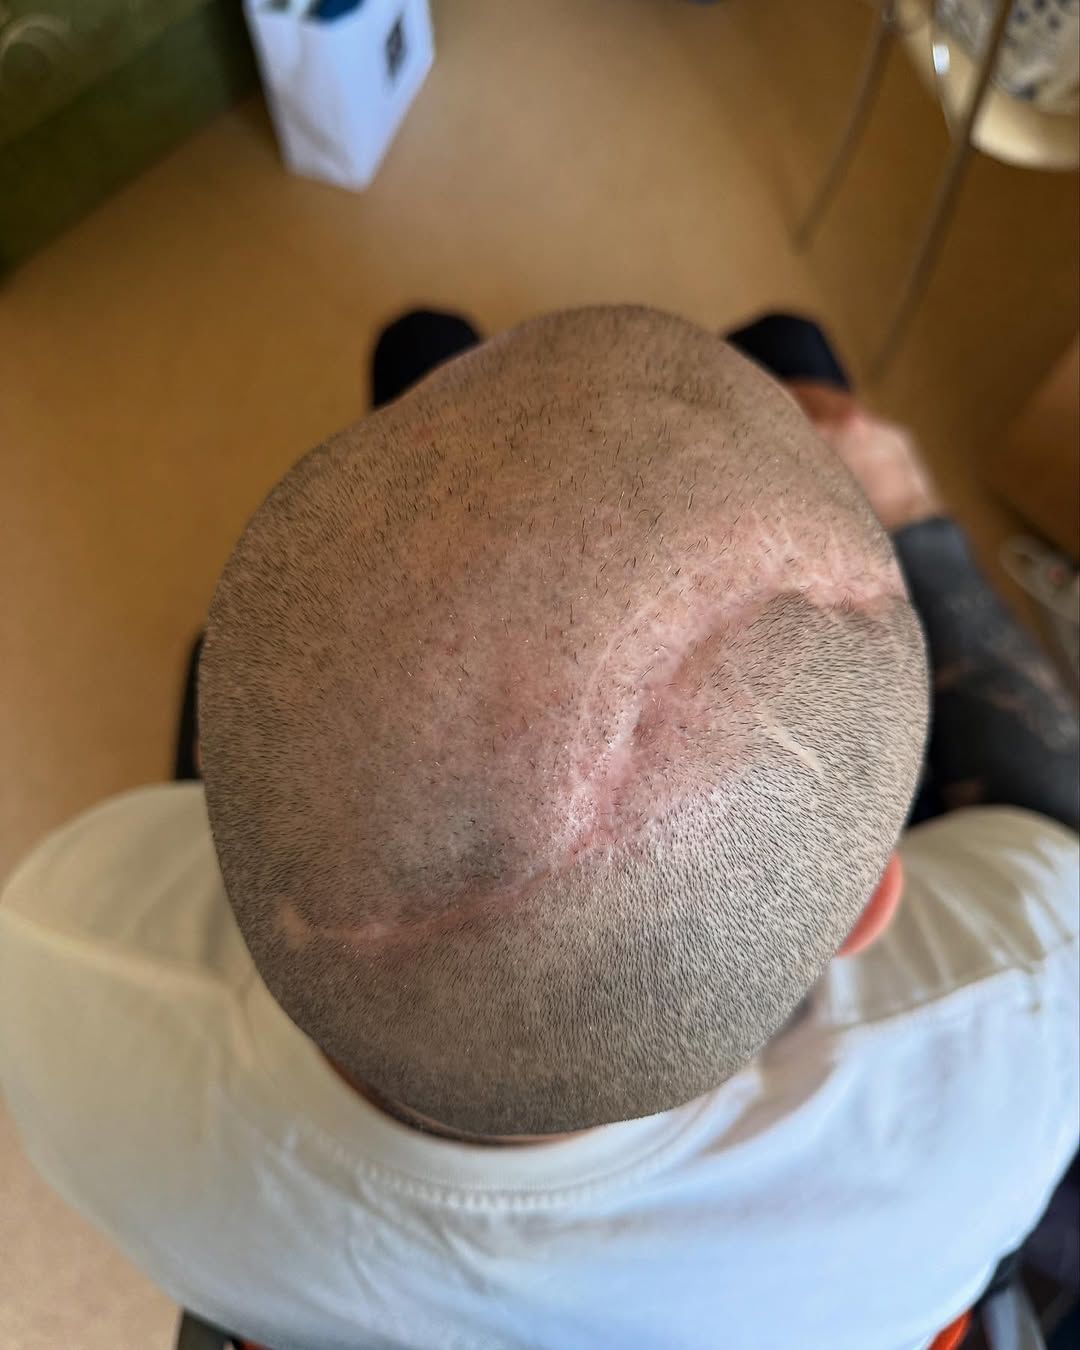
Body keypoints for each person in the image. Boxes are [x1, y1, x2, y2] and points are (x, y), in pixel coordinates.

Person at [0, 307, 1076, 1350]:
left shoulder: (66, 955)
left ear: (217, 763)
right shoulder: (1016, 1010)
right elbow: (1047, 863)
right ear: (870, 908)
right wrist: (916, 526)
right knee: (790, 342)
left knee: (420, 341)